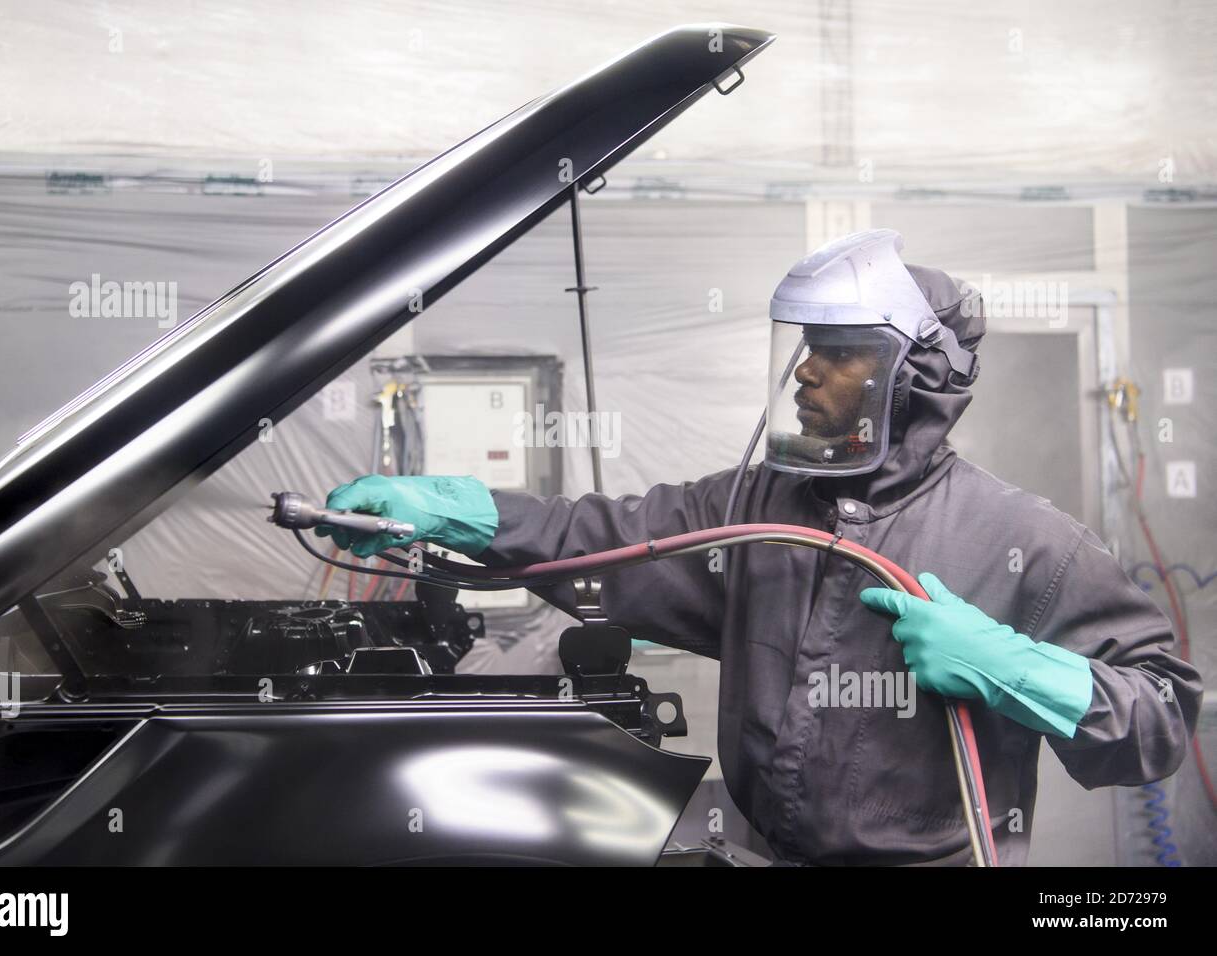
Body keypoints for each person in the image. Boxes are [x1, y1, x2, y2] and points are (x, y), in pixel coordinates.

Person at [318, 229, 1202, 865]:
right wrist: (458, 509)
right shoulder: (752, 507)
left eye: (839, 351)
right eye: (805, 347)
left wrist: (1017, 671)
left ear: (916, 378)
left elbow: (1162, 714)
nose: (805, 372)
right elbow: (601, 539)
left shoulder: (1026, 540)